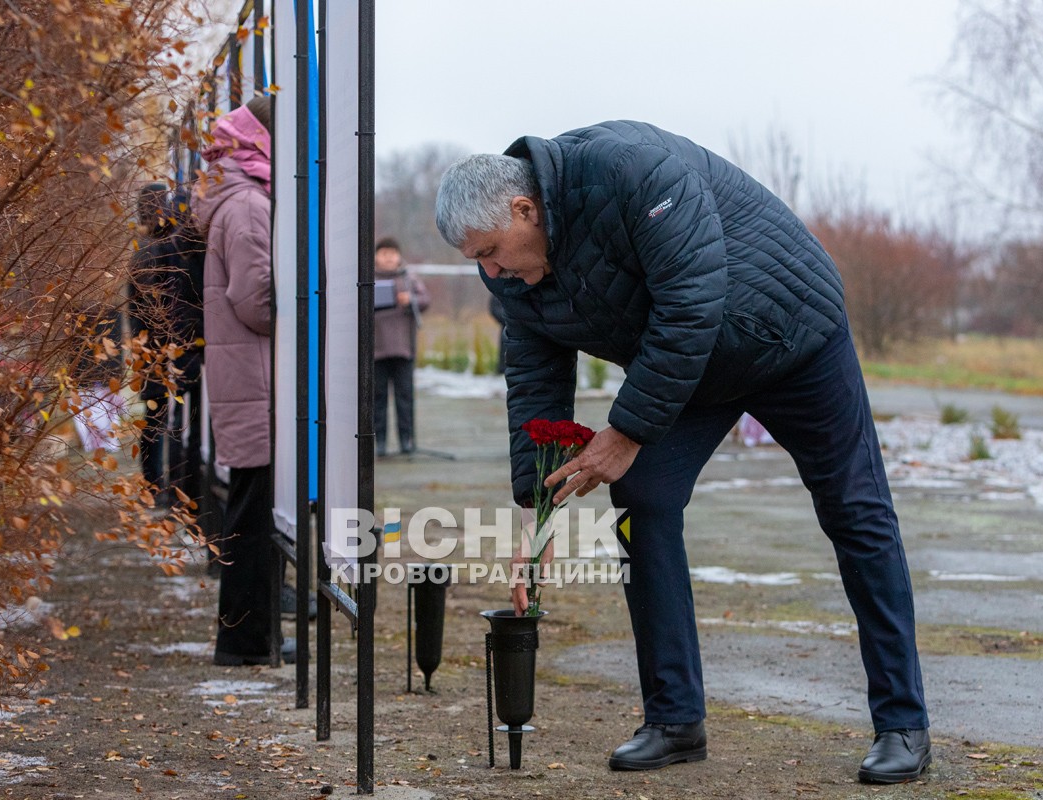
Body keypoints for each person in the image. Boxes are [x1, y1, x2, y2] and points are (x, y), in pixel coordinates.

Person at [434, 121, 931, 784]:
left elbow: (691, 302)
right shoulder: (509, 274)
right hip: (692, 368)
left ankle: (903, 724)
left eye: (493, 251)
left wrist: (627, 432)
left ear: (526, 210)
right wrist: (537, 512)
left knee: (854, 509)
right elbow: (535, 381)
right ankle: (674, 720)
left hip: (789, 335)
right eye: (478, 260)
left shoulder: (633, 173)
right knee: (642, 499)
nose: (490, 272)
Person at [193, 95, 296, 665]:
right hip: (255, 378)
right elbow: (256, 301)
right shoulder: (250, 204)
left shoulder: (229, 193)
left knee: (250, 511)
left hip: (243, 375)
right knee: (254, 518)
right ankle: (244, 643)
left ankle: (247, 638)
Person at [128, 183, 203, 508]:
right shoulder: (171, 249)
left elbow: (140, 308)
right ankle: (167, 490)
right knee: (174, 421)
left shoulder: (142, 249)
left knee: (156, 418)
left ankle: (154, 487)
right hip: (173, 347)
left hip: (150, 347)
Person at [372, 237, 429, 456]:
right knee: (377, 400)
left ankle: (407, 440)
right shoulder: (368, 277)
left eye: (392, 253)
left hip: (404, 349)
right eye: (383, 253)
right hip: (376, 350)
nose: (388, 257)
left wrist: (411, 299)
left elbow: (426, 299)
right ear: (376, 256)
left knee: (405, 398)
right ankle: (380, 442)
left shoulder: (408, 278)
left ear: (398, 256)